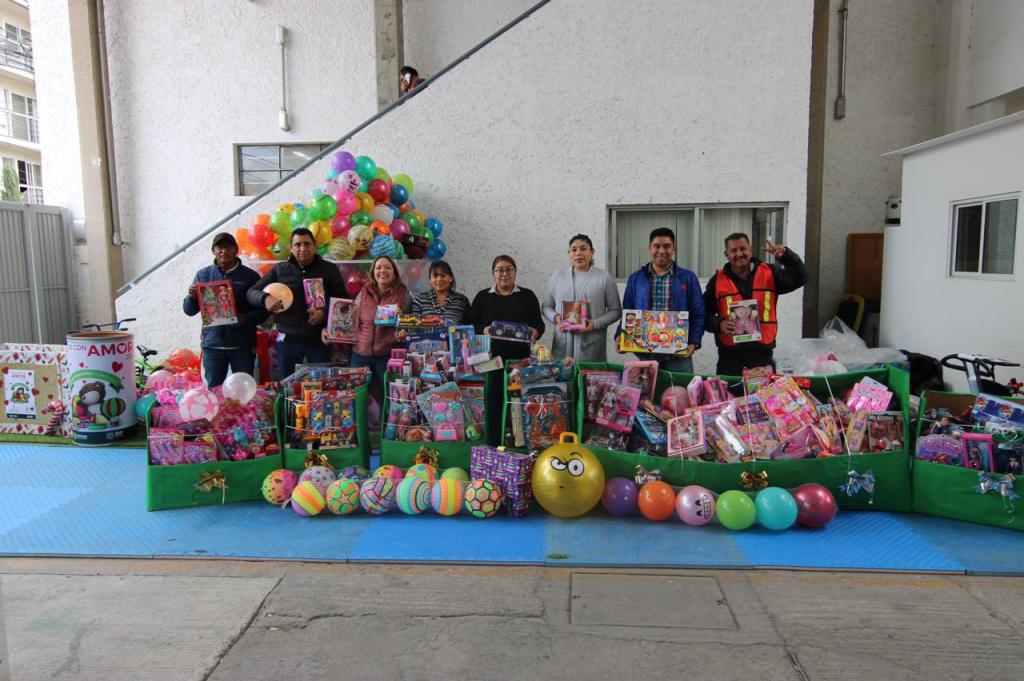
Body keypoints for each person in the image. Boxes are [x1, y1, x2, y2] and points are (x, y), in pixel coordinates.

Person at [703, 233, 808, 376]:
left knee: (763, 391)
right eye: (733, 250)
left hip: (762, 356)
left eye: (743, 249)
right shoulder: (717, 281)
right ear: (726, 254)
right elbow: (703, 314)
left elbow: (801, 278)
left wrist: (787, 256)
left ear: (751, 250)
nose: (739, 254)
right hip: (729, 358)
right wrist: (719, 324)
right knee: (730, 391)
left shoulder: (769, 273)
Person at [247, 228, 345, 379]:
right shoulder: (280, 269)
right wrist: (265, 298)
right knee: (288, 383)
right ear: (291, 248)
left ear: (315, 246)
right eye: (298, 244)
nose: (303, 248)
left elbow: (342, 300)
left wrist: (324, 313)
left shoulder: (329, 269)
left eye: (307, 244)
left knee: (321, 383)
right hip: (288, 339)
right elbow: (251, 293)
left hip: (318, 338)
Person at [183, 232, 265, 388]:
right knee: (214, 390)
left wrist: (245, 318)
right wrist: (192, 297)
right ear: (213, 251)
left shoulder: (251, 277)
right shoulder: (203, 275)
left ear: (236, 250)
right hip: (213, 346)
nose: (224, 251)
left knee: (244, 390)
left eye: (228, 247)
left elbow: (263, 313)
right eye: (219, 247)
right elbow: (189, 311)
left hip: (242, 346)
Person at [619, 228, 705, 372]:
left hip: (679, 354)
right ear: (650, 248)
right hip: (646, 353)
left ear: (674, 249)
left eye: (667, 246)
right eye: (657, 246)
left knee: (680, 387)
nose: (661, 251)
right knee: (648, 387)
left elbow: (698, 313)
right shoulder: (636, 279)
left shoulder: (688, 278)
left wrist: (693, 342)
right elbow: (627, 313)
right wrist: (620, 336)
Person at [541, 234, 622, 361]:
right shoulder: (558, 276)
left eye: (583, 249)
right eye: (574, 250)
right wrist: (556, 318)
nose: (578, 253)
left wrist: (594, 324)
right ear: (569, 253)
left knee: (590, 373)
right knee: (562, 372)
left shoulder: (604, 278)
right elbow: (546, 306)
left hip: (592, 345)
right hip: (562, 344)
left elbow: (616, 311)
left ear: (592, 252)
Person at [350, 255, 411, 396]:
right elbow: (352, 319)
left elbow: (410, 325)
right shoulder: (363, 292)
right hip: (360, 353)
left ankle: (387, 413)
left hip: (387, 355)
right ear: (373, 272)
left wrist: (402, 320)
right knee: (356, 395)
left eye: (387, 267)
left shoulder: (404, 295)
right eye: (378, 267)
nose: (382, 271)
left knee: (389, 395)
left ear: (394, 273)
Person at [466, 255, 545, 363]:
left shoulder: (528, 296)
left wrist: (536, 332)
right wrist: (483, 330)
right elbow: (471, 325)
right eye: (499, 270)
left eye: (509, 270)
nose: (504, 274)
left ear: (515, 272)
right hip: (489, 359)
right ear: (493, 273)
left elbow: (539, 325)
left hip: (521, 359)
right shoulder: (482, 296)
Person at [405, 260, 470, 325]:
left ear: (451, 278)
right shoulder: (420, 300)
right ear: (430, 279)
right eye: (435, 276)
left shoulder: (462, 300)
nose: (439, 279)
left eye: (443, 275)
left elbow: (469, 328)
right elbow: (414, 327)